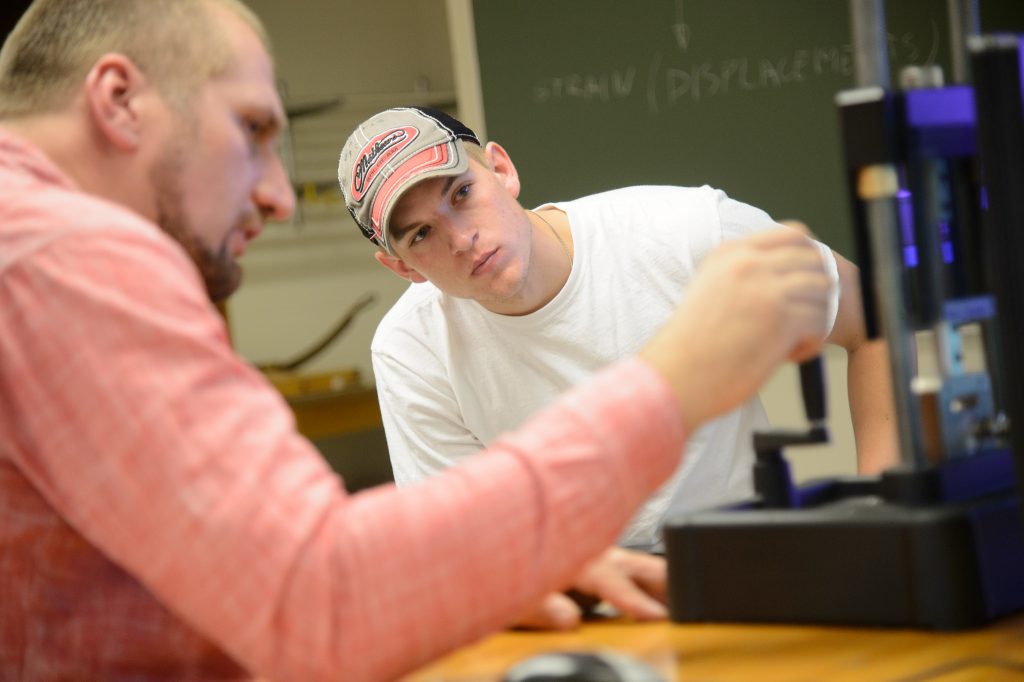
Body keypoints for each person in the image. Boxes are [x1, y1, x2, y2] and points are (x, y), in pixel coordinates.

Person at [0, 1, 832, 680]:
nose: (281, 196)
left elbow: (229, 582)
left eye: (460, 196)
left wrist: (497, 559)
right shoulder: (66, 254)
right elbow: (325, 601)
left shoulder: (27, 241)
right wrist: (673, 382)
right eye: (253, 130)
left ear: (500, 170)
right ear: (116, 99)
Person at [338, 106, 898, 553]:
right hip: (577, 600)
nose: (462, 240)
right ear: (403, 269)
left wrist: (883, 519)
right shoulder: (410, 351)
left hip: (745, 557)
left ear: (501, 170)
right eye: (421, 236)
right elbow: (463, 546)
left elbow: (875, 318)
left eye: (462, 194)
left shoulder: (682, 231)